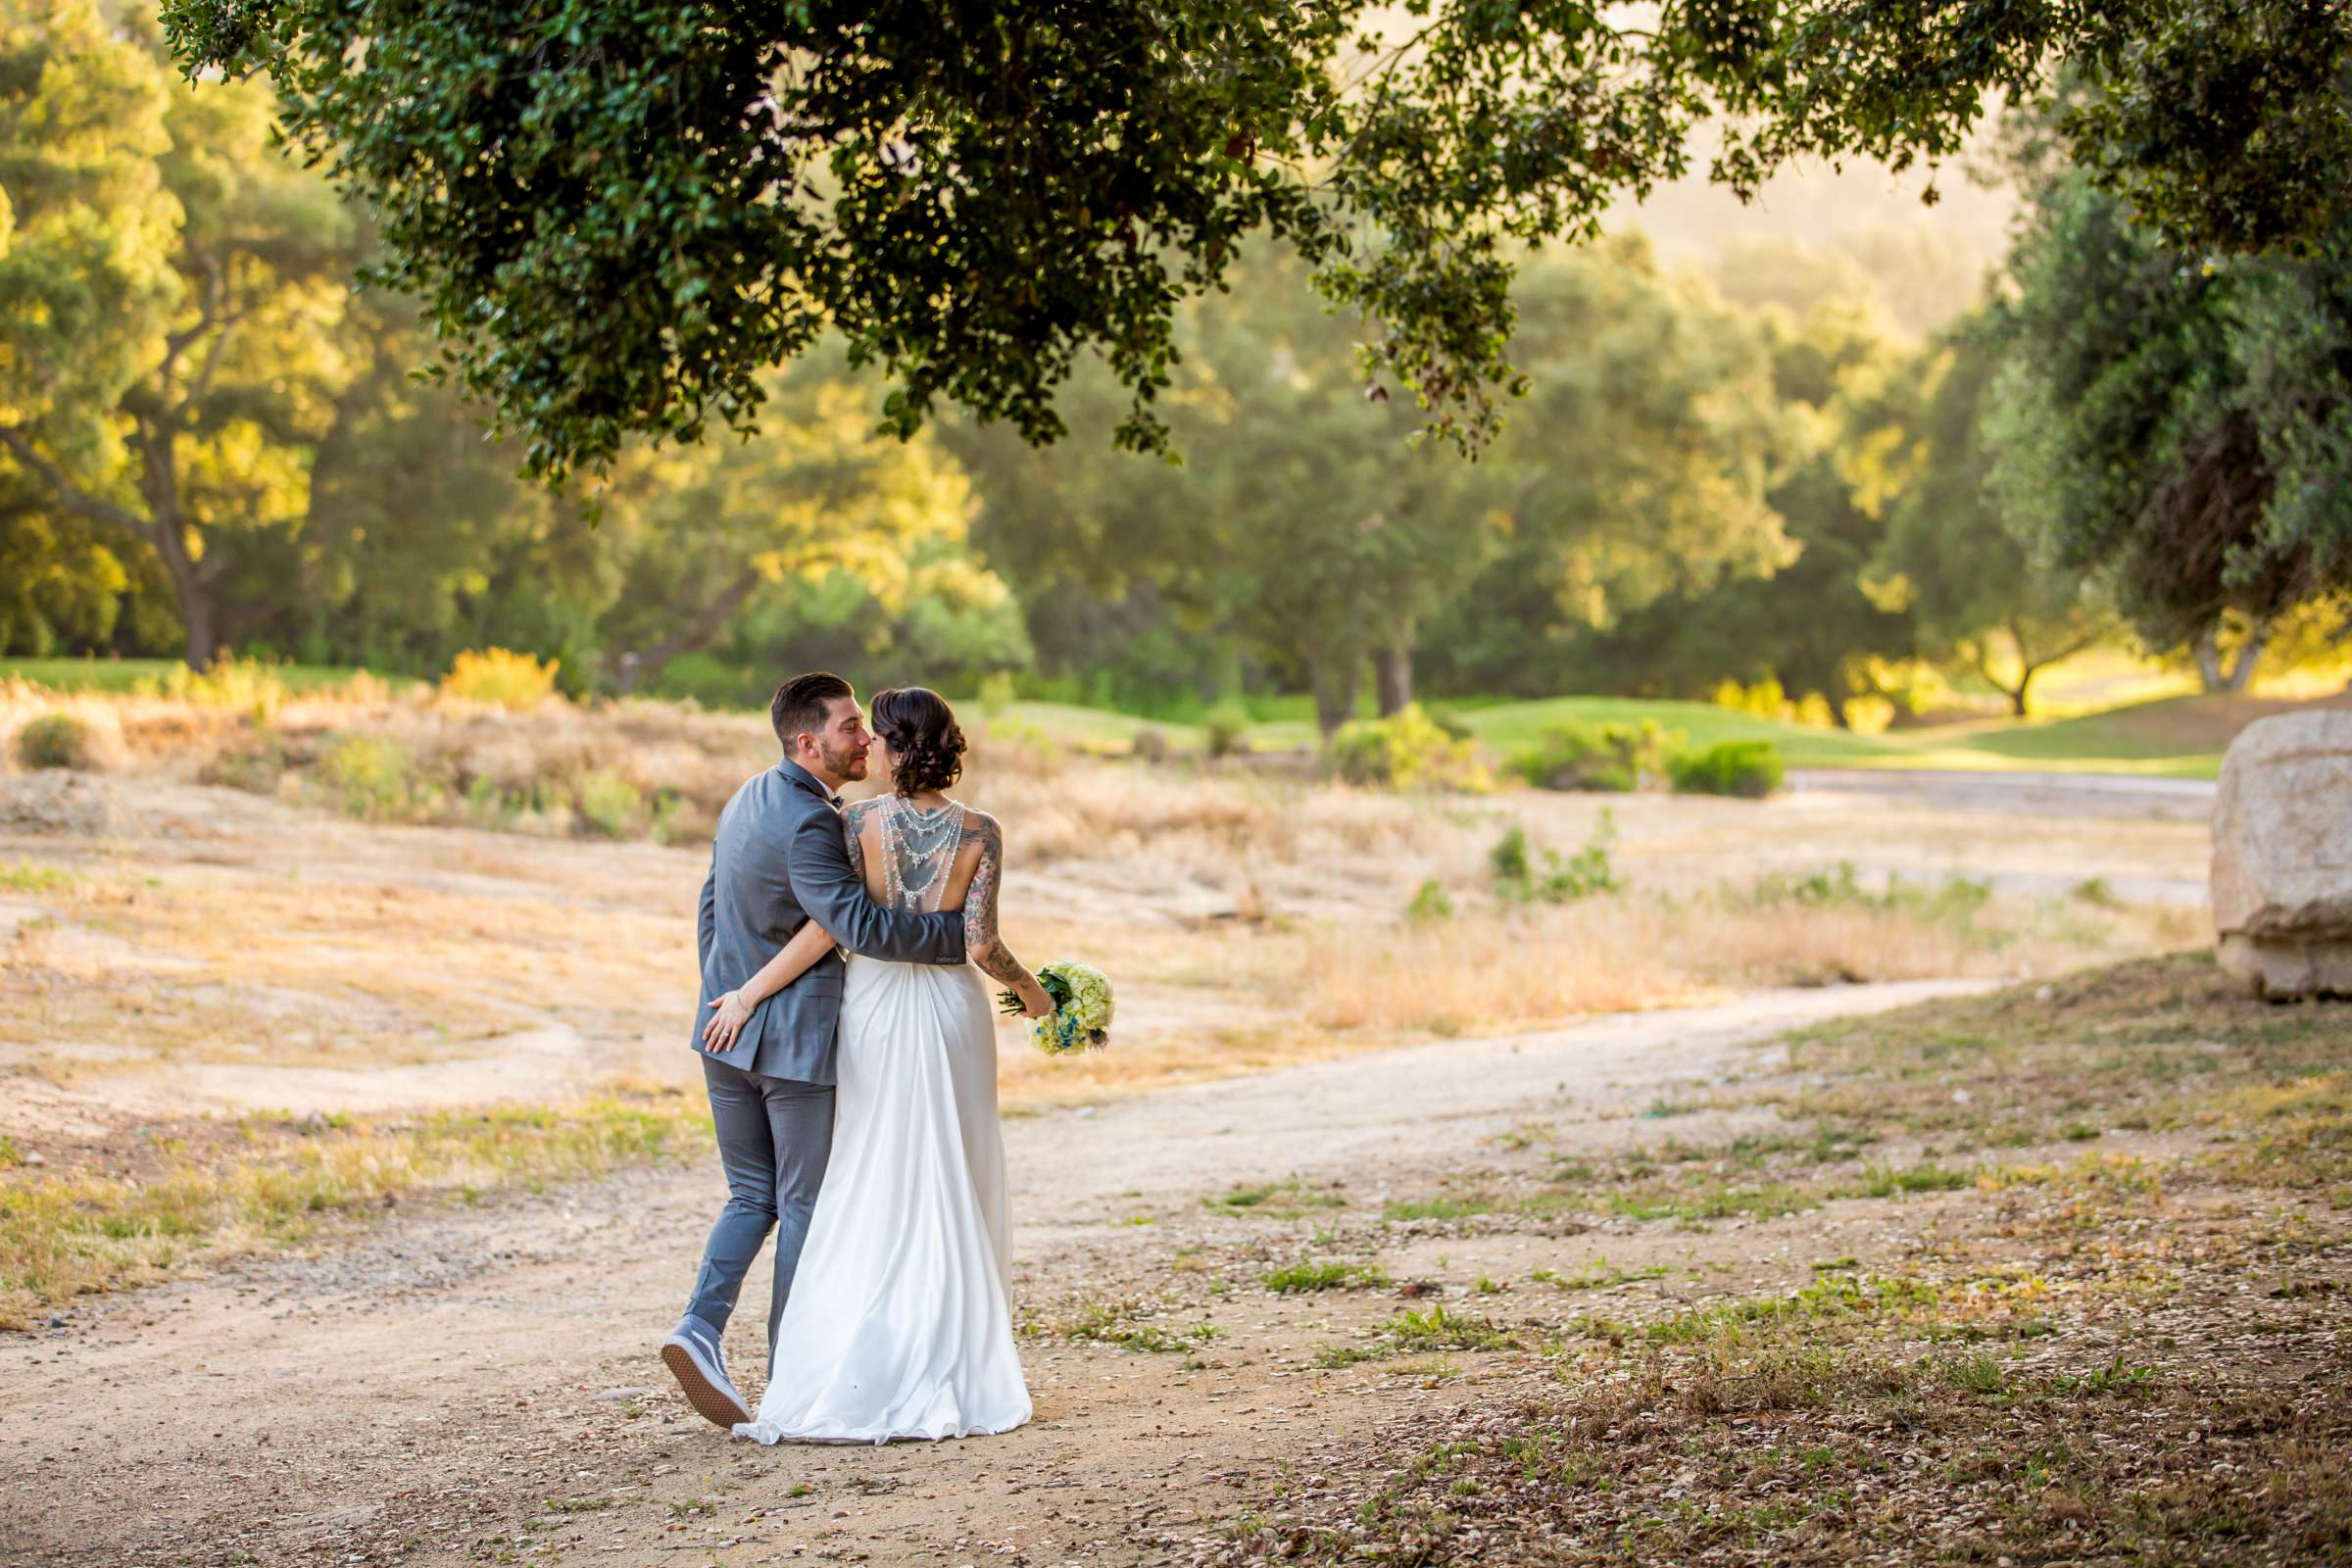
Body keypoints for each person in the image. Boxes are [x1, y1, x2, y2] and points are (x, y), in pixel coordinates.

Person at [706, 686, 1049, 1444]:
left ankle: (843, 1358)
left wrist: (746, 992)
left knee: (870, 1170)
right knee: (954, 1166)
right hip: (955, 1014)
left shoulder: (852, 822)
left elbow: (832, 931)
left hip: (875, 1011)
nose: (864, 744)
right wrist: (1036, 994)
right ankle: (958, 1353)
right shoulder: (982, 832)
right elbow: (982, 943)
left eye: (873, 734)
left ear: (894, 750)